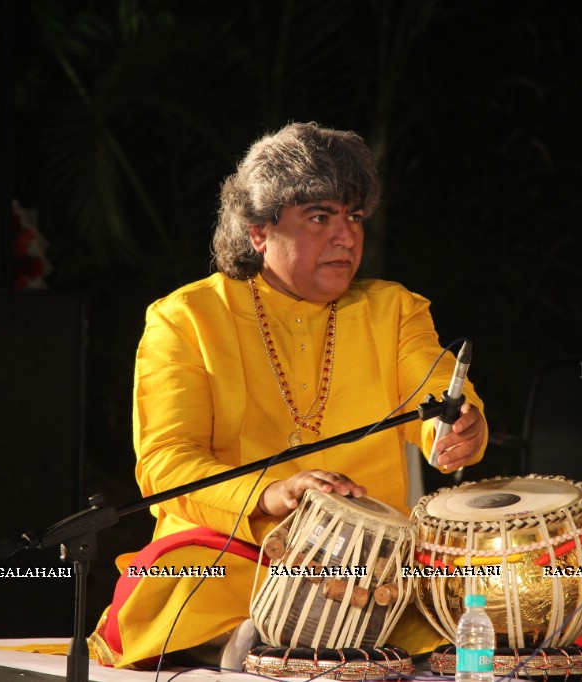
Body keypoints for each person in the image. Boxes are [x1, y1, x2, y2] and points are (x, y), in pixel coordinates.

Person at [89, 122, 488, 669]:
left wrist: (461, 428)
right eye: (321, 217)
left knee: (464, 587)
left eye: (353, 217)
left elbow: (439, 393)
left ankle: (288, 640)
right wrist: (271, 494)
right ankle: (253, 640)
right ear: (259, 231)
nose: (346, 237)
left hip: (367, 565)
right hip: (233, 548)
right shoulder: (186, 319)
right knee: (185, 585)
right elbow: (165, 463)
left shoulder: (393, 310)